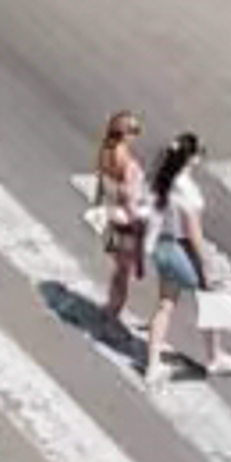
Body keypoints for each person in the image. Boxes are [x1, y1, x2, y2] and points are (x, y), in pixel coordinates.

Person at [141, 130, 229, 389]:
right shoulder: (186, 190)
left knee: (165, 305)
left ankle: (152, 364)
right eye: (198, 154)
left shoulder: (160, 179)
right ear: (190, 159)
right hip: (180, 248)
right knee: (215, 297)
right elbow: (194, 233)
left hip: (161, 246)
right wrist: (207, 265)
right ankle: (215, 357)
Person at [86, 109, 153, 350]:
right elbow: (130, 201)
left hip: (110, 218)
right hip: (125, 224)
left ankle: (110, 308)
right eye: (134, 131)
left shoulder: (105, 152)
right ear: (124, 134)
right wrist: (141, 226)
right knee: (124, 274)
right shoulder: (127, 164)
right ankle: (111, 319)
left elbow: (101, 188)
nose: (136, 135)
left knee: (119, 270)